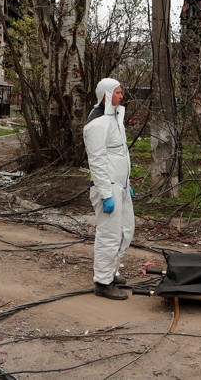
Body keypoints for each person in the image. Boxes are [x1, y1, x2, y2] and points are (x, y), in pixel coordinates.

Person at [83, 77, 135, 300]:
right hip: (108, 189)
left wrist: (127, 184)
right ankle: (102, 282)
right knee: (109, 235)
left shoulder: (115, 118)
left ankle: (111, 272)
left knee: (126, 231)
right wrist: (105, 194)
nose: (121, 96)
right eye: (117, 92)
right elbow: (97, 161)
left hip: (120, 187)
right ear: (106, 95)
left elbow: (120, 155)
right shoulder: (97, 124)